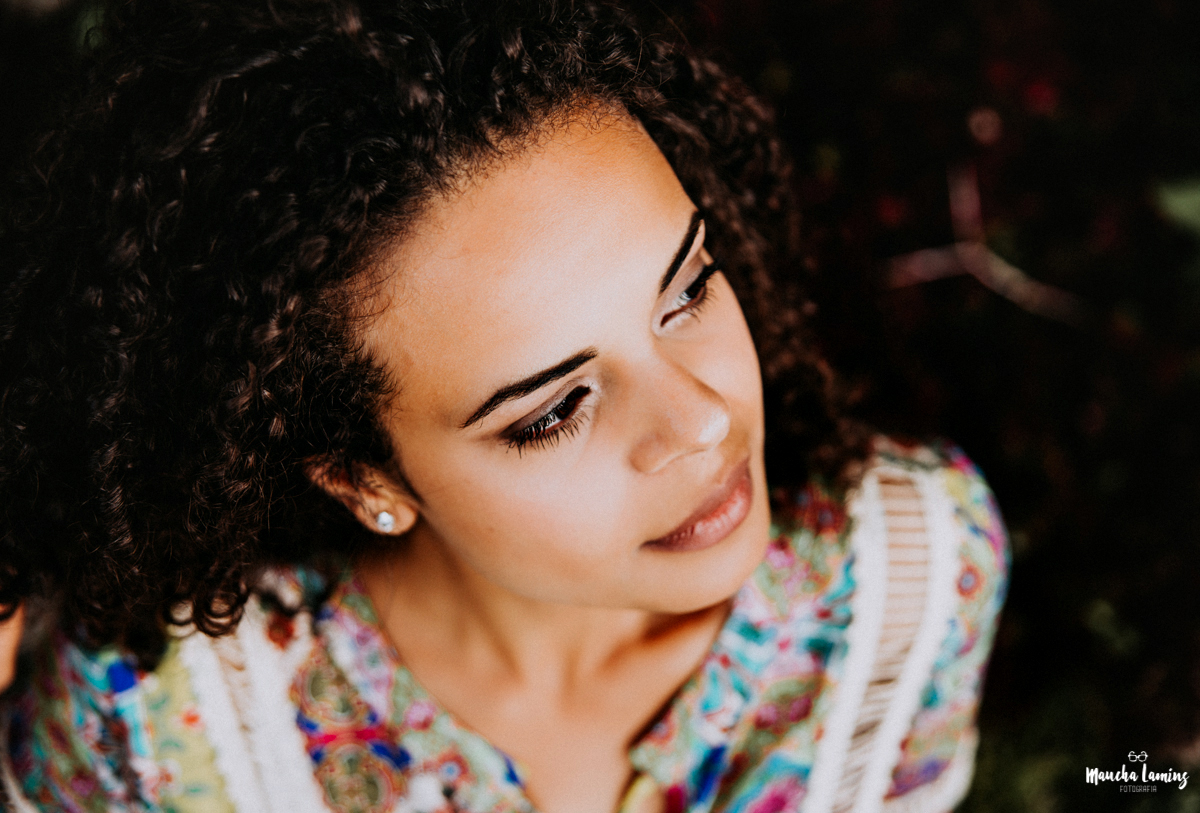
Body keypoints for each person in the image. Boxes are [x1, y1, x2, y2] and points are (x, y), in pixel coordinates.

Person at [0, 1, 1009, 811]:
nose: (702, 420)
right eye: (554, 411)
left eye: (689, 290)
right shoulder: (155, 730)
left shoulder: (910, 576)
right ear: (363, 477)